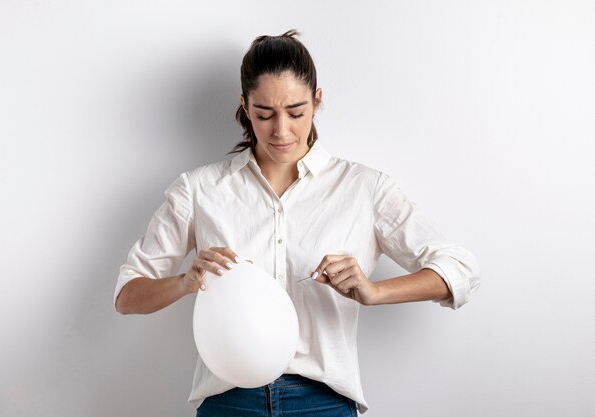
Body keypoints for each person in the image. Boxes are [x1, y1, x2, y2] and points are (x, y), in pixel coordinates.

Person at [114, 29, 480, 416]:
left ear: (317, 100)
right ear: (244, 105)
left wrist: (375, 292)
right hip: (230, 402)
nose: (281, 130)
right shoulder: (200, 189)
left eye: (296, 111)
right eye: (264, 114)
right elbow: (126, 295)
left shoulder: (363, 188)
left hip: (323, 402)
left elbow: (460, 269)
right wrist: (185, 281)